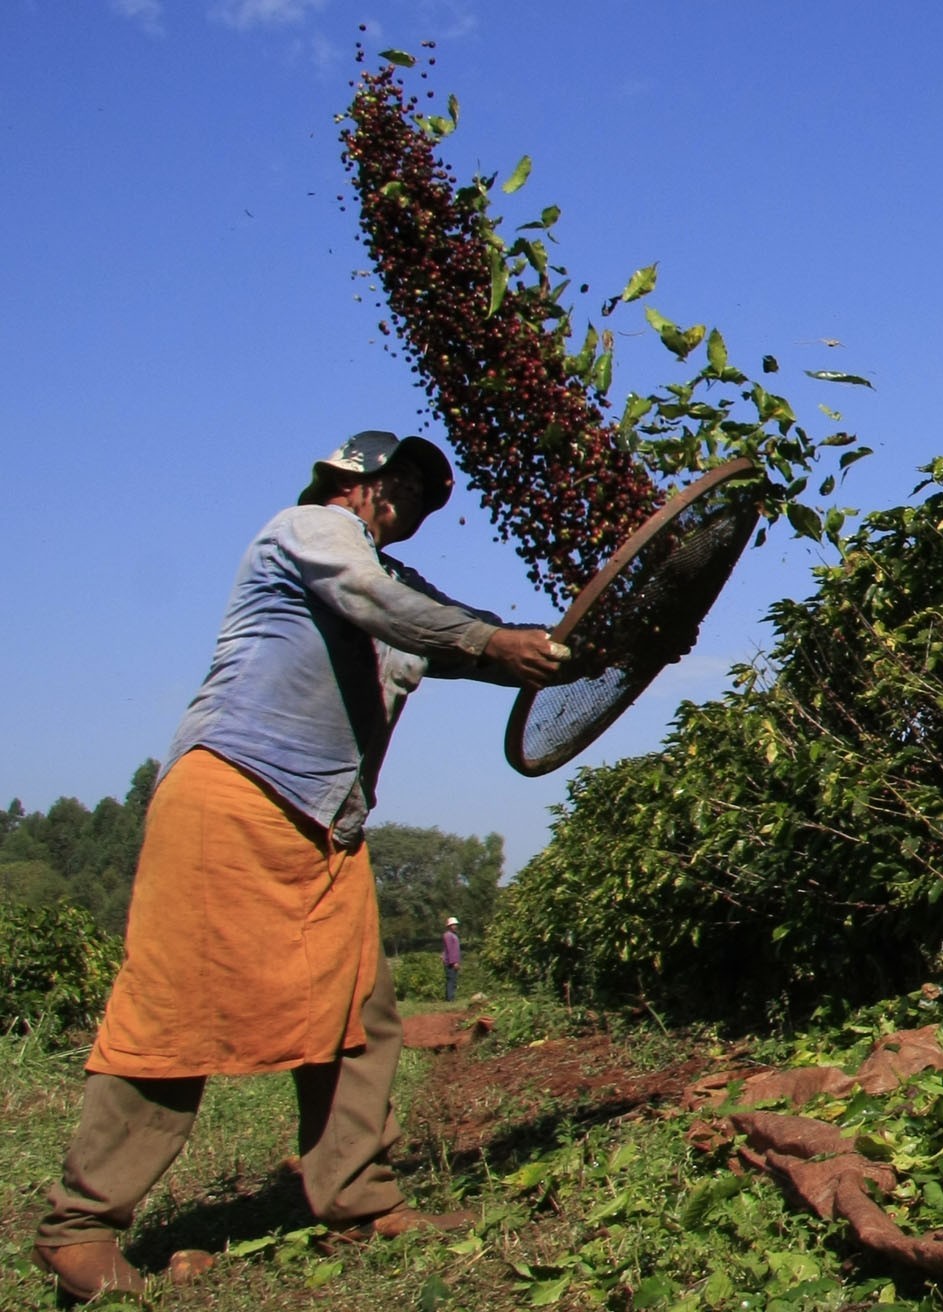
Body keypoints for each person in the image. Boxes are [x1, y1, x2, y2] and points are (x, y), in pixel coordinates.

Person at [32, 431, 566, 1300]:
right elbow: (385, 603)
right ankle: (80, 1225)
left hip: (327, 825)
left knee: (361, 1015)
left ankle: (356, 1199)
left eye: (431, 497)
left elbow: (474, 646)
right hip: (236, 793)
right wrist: (490, 638)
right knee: (175, 1013)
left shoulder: (402, 591)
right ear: (357, 481)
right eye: (405, 484)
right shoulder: (310, 531)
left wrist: (582, 650)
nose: (415, 505)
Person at [442, 917, 463, 1002]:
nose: (455, 926)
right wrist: (454, 962)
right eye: (453, 925)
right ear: (449, 926)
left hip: (453, 961)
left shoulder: (453, 935)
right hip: (450, 962)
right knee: (451, 979)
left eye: (455, 925)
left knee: (453, 980)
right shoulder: (448, 935)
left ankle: (451, 997)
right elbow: (450, 949)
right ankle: (450, 998)